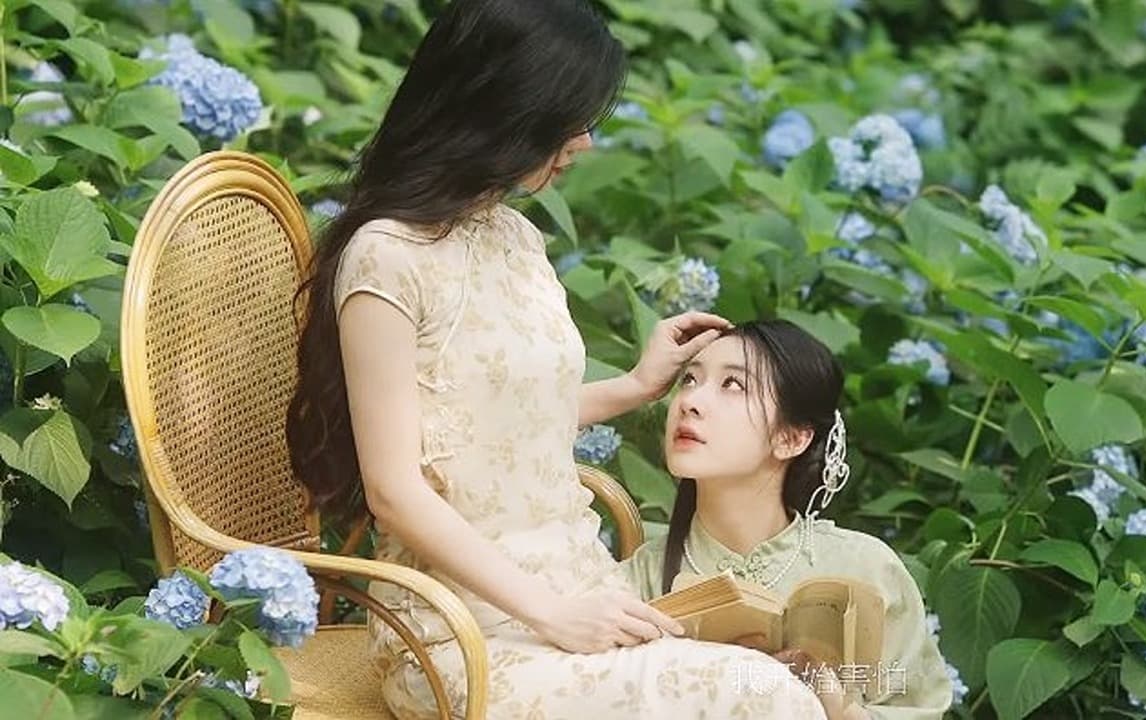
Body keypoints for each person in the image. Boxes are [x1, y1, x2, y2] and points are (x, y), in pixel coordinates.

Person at [284, 0, 828, 717]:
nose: (586, 142)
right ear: (507, 108)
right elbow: (394, 490)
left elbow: (489, 420)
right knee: (763, 697)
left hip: (586, 594)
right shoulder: (386, 257)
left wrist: (635, 385)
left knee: (800, 674)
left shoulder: (513, 236)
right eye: (570, 119)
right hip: (461, 636)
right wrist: (554, 614)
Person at [621, 320, 954, 720]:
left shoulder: (867, 569)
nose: (691, 401)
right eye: (690, 379)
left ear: (792, 438)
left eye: (733, 385)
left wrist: (834, 704)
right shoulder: (638, 578)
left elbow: (919, 708)